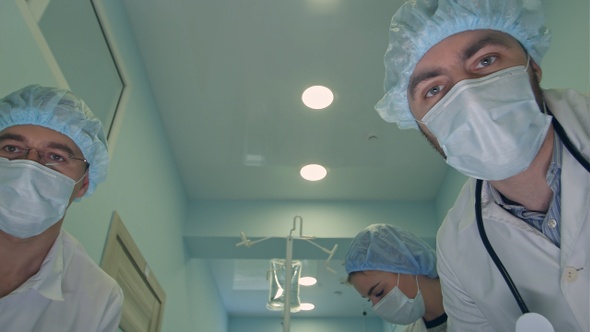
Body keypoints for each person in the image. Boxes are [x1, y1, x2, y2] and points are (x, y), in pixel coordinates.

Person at [374, 0, 590, 331]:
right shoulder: (456, 247)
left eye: (485, 60)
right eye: (434, 90)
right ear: (424, 128)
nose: (469, 97)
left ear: (533, 67)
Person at [0, 85, 123, 331]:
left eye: (55, 156)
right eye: (11, 149)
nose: (28, 166)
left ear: (83, 184)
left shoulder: (98, 299)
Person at [345, 224, 446, 332]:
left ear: (406, 263)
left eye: (379, 292)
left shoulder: (465, 292)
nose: (376, 306)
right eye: (370, 300)